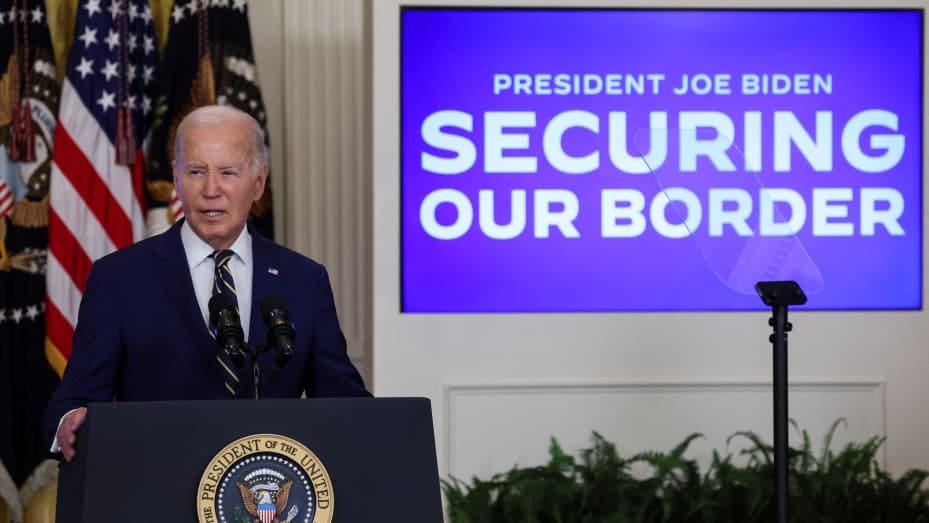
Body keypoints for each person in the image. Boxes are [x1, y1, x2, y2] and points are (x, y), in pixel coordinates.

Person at [43, 105, 370, 461]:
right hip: (155, 489)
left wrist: (386, 431)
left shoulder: (304, 280)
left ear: (258, 182)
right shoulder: (119, 278)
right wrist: (67, 423)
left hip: (265, 499)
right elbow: (73, 400)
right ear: (177, 178)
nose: (211, 189)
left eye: (228, 172)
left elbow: (344, 401)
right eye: (196, 171)